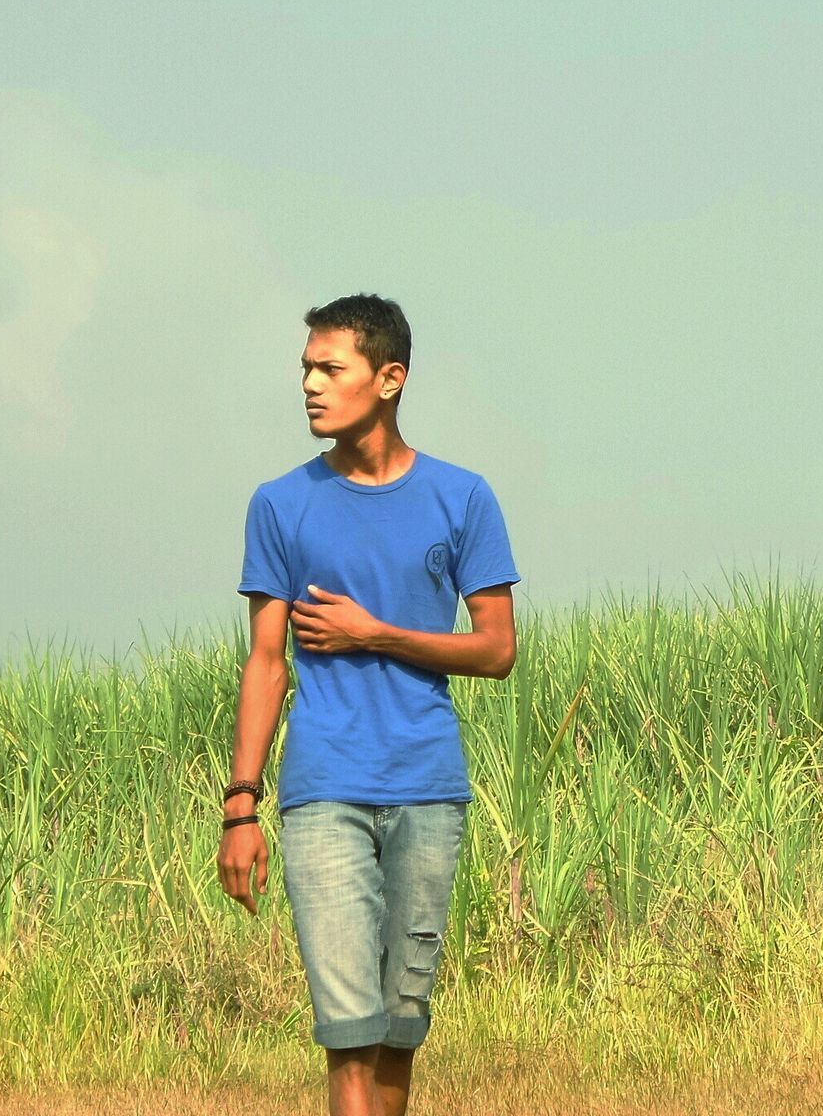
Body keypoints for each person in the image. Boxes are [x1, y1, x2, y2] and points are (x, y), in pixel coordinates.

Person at [217, 292, 520, 1116]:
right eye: (305, 368)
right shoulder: (280, 504)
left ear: (389, 379)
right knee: (348, 1037)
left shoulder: (462, 497)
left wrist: (375, 633)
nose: (310, 384)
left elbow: (496, 650)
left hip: (428, 787)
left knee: (396, 1034)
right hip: (322, 792)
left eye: (330, 367)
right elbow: (266, 662)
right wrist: (239, 806)